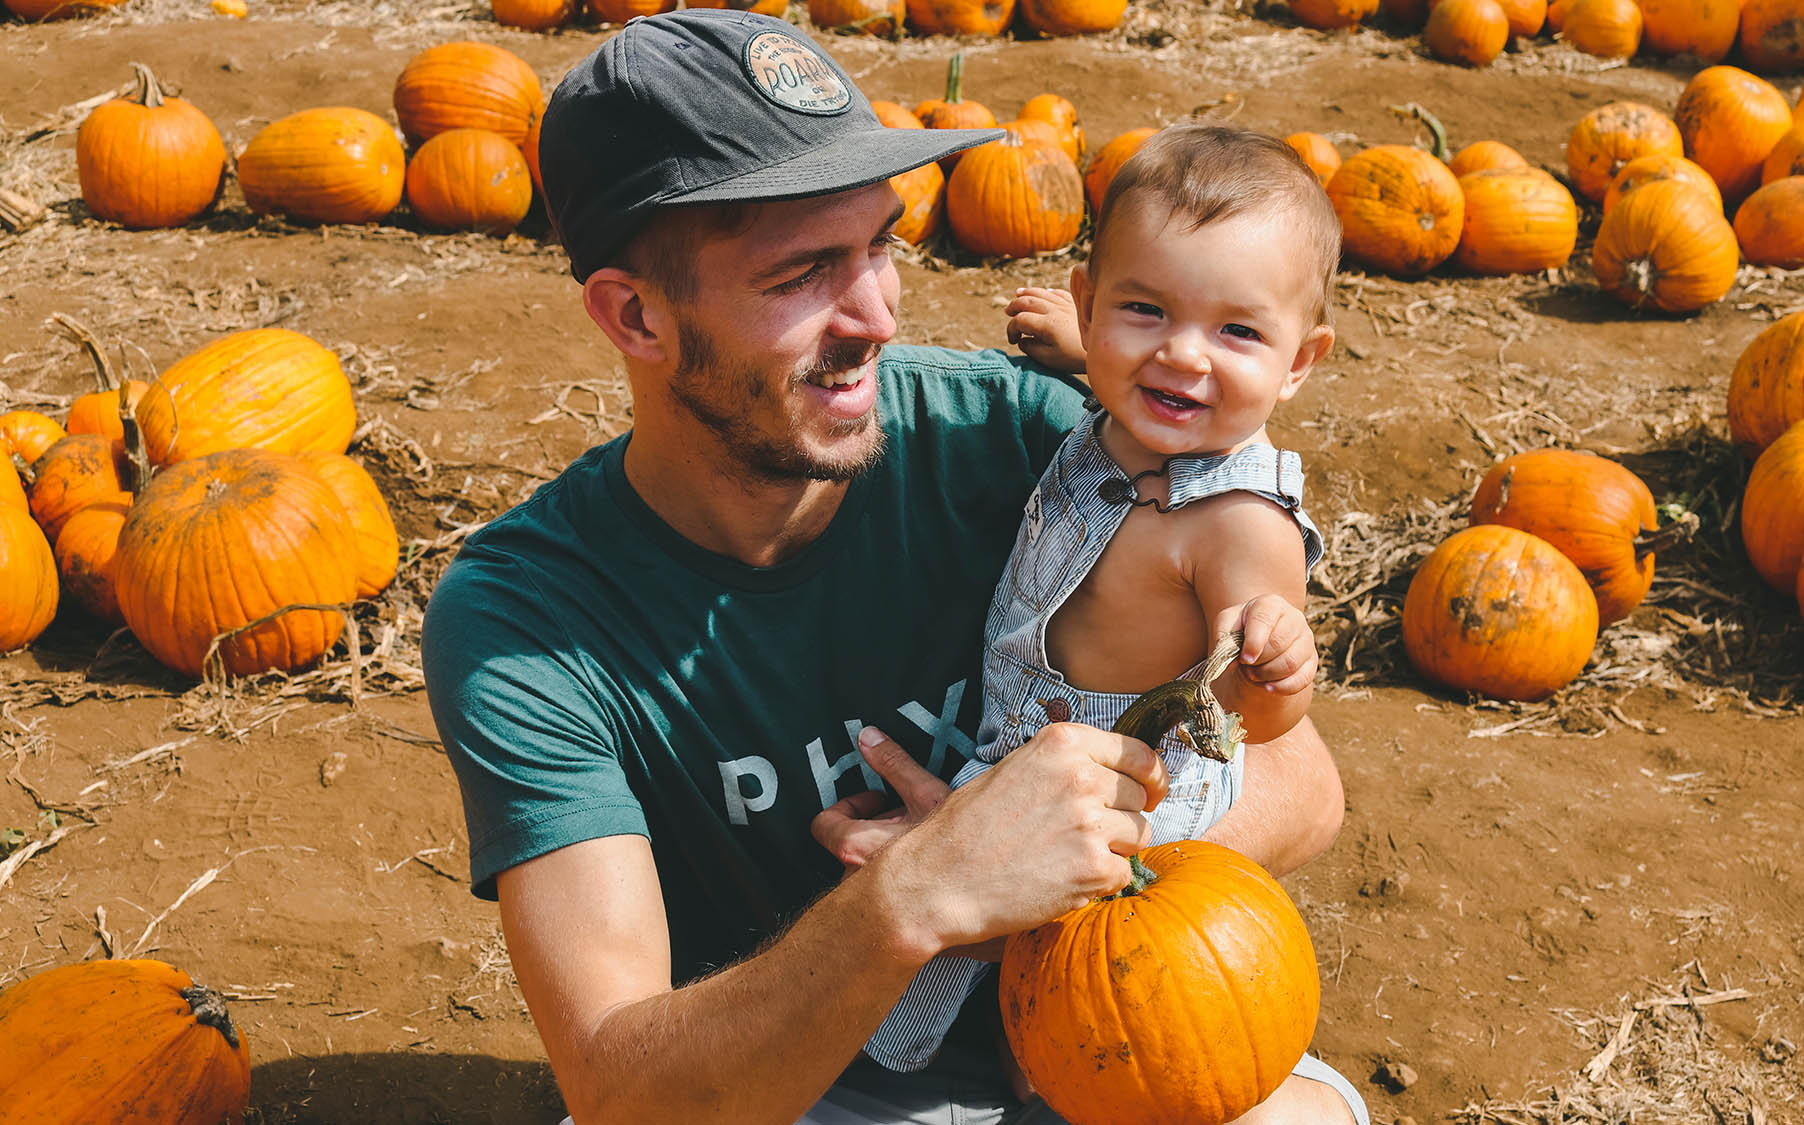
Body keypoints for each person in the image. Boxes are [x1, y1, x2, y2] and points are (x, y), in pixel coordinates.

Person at [419, 9, 1364, 1123]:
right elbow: (623, 1087)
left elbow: (1301, 788)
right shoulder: (531, 623)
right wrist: (919, 896)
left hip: (1097, 1037)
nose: (876, 313)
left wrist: (1051, 880)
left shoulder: (1024, 439)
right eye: (803, 273)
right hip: (801, 1092)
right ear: (635, 315)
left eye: (879, 244)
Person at [863, 124, 1346, 1086]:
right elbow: (1149, 386)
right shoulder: (1138, 413)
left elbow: (1257, 718)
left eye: (1238, 332)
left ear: (1300, 361)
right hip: (1036, 739)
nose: (1184, 356)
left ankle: (1049, 1069)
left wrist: (1278, 656)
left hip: (1137, 782)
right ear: (1091, 304)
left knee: (1080, 976)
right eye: (1144, 309)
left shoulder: (1240, 519)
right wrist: (1086, 351)